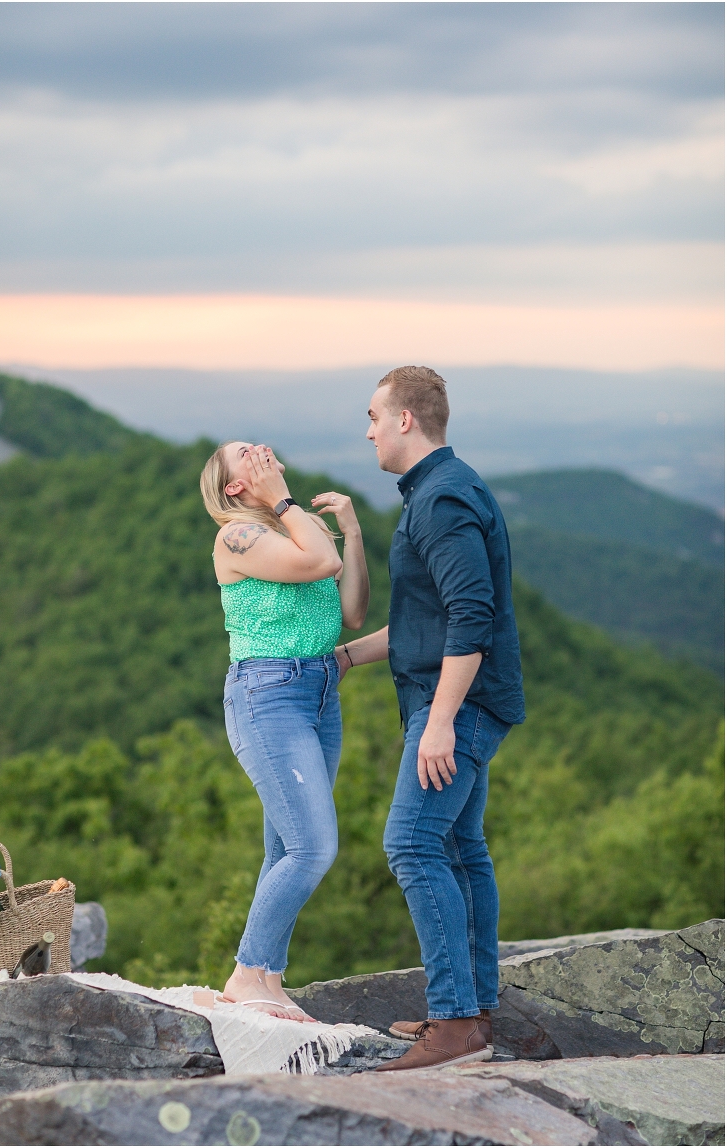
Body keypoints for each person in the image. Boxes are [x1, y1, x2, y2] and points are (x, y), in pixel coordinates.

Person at [334, 366, 525, 1069]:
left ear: (405, 419)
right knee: (461, 849)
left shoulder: (442, 499)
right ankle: (475, 1014)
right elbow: (428, 622)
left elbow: (472, 617)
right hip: (458, 700)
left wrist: (441, 721)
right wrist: (347, 657)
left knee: (412, 845)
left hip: (458, 705)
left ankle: (453, 1027)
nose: (369, 431)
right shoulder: (437, 490)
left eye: (373, 416)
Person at [200, 441, 369, 1019]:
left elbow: (351, 613)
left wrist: (353, 532)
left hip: (319, 691)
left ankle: (269, 978)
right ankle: (247, 973)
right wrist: (285, 500)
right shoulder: (237, 536)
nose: (262, 450)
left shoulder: (295, 530)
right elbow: (322, 564)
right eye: (246, 453)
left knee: (284, 849)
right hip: (268, 694)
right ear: (234, 488)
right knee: (312, 847)